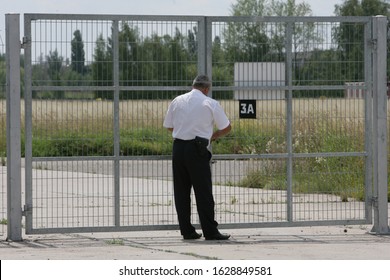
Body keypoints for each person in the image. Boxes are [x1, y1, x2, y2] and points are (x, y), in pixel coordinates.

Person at [163, 74, 232, 240]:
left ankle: (187, 231)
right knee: (203, 192)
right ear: (206, 89)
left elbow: (168, 127)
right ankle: (210, 231)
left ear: (193, 85)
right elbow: (227, 127)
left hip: (178, 148)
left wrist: (184, 134)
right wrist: (212, 136)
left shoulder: (177, 100)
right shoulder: (210, 103)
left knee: (181, 192)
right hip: (198, 149)